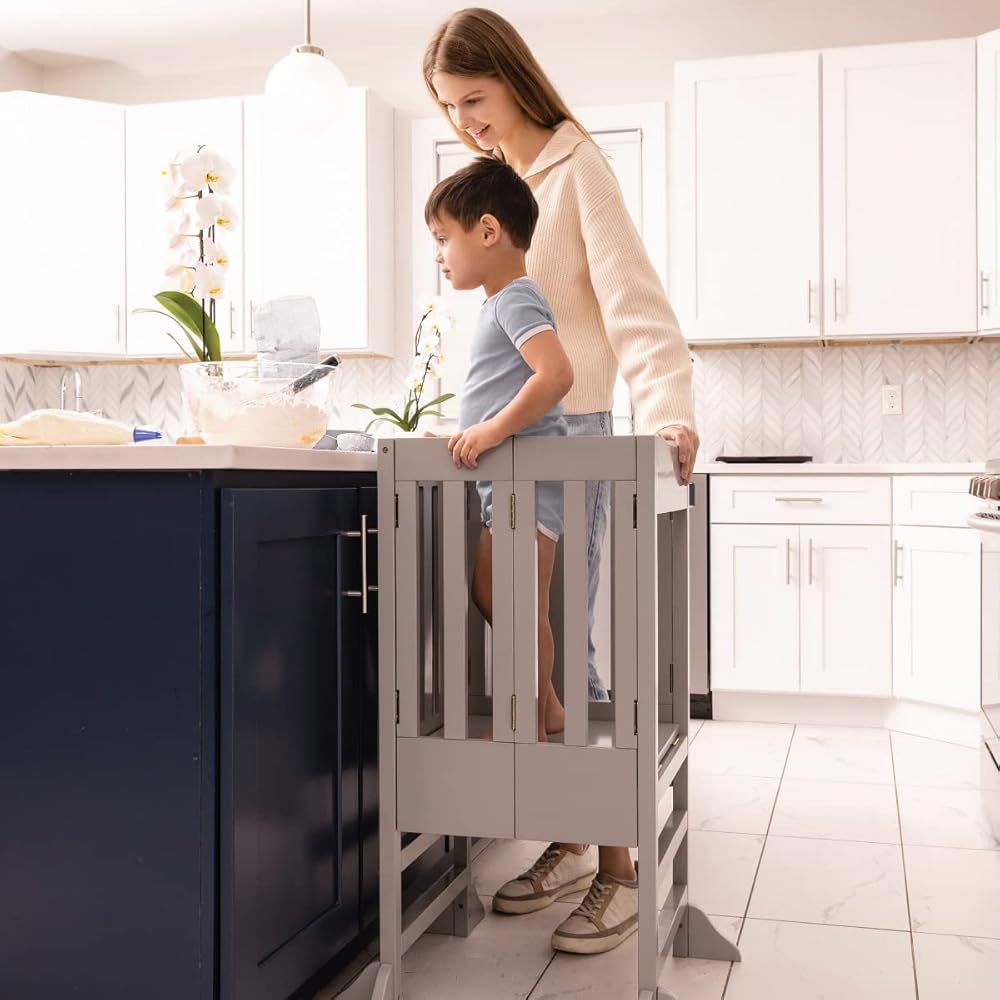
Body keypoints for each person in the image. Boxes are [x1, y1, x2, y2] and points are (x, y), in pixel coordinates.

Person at [423, 8, 700, 955]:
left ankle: (618, 868)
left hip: (570, 438)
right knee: (529, 636)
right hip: (515, 448)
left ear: (512, 77)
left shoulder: (579, 170)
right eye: (449, 108)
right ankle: (576, 835)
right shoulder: (498, 187)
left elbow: (634, 306)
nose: (465, 121)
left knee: (564, 650)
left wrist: (669, 411)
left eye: (473, 98)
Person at [426, 155, 574, 744]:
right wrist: (464, 430)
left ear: (487, 231)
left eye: (443, 239)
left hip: (525, 484)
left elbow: (554, 375)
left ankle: (530, 725)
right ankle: (550, 708)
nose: (439, 254)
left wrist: (487, 433)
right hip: (508, 485)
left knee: (516, 603)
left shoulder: (515, 298)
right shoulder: (499, 302)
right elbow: (502, 386)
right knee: (496, 594)